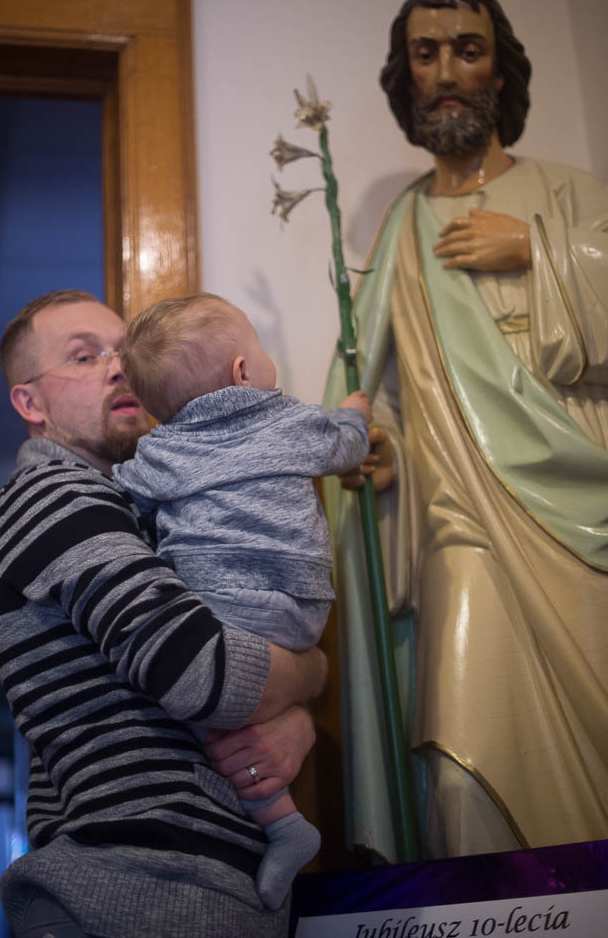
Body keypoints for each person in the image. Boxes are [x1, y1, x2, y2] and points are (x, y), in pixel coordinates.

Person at [323, 0, 608, 861]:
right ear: (406, 76)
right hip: (463, 520)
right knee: (460, 766)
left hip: (589, 518)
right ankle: (493, 917)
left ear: (500, 68)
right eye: (427, 53)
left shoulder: (569, 195)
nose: (448, 72)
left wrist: (539, 248)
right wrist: (382, 450)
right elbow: (394, 388)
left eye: (468, 49)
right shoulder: (403, 226)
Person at [0, 289, 327, 938]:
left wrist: (291, 724)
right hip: (131, 895)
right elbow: (205, 676)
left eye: (123, 350)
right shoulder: (52, 499)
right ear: (30, 403)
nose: (118, 367)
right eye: (84, 356)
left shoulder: (140, 508)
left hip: (185, 889)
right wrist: (312, 675)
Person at [112, 292, 372, 910]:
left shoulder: (160, 450)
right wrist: (356, 415)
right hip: (303, 610)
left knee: (197, 702)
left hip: (220, 613)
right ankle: (279, 814)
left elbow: (118, 501)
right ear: (242, 371)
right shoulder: (287, 421)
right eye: (259, 344)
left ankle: (281, 822)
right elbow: (345, 448)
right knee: (231, 707)